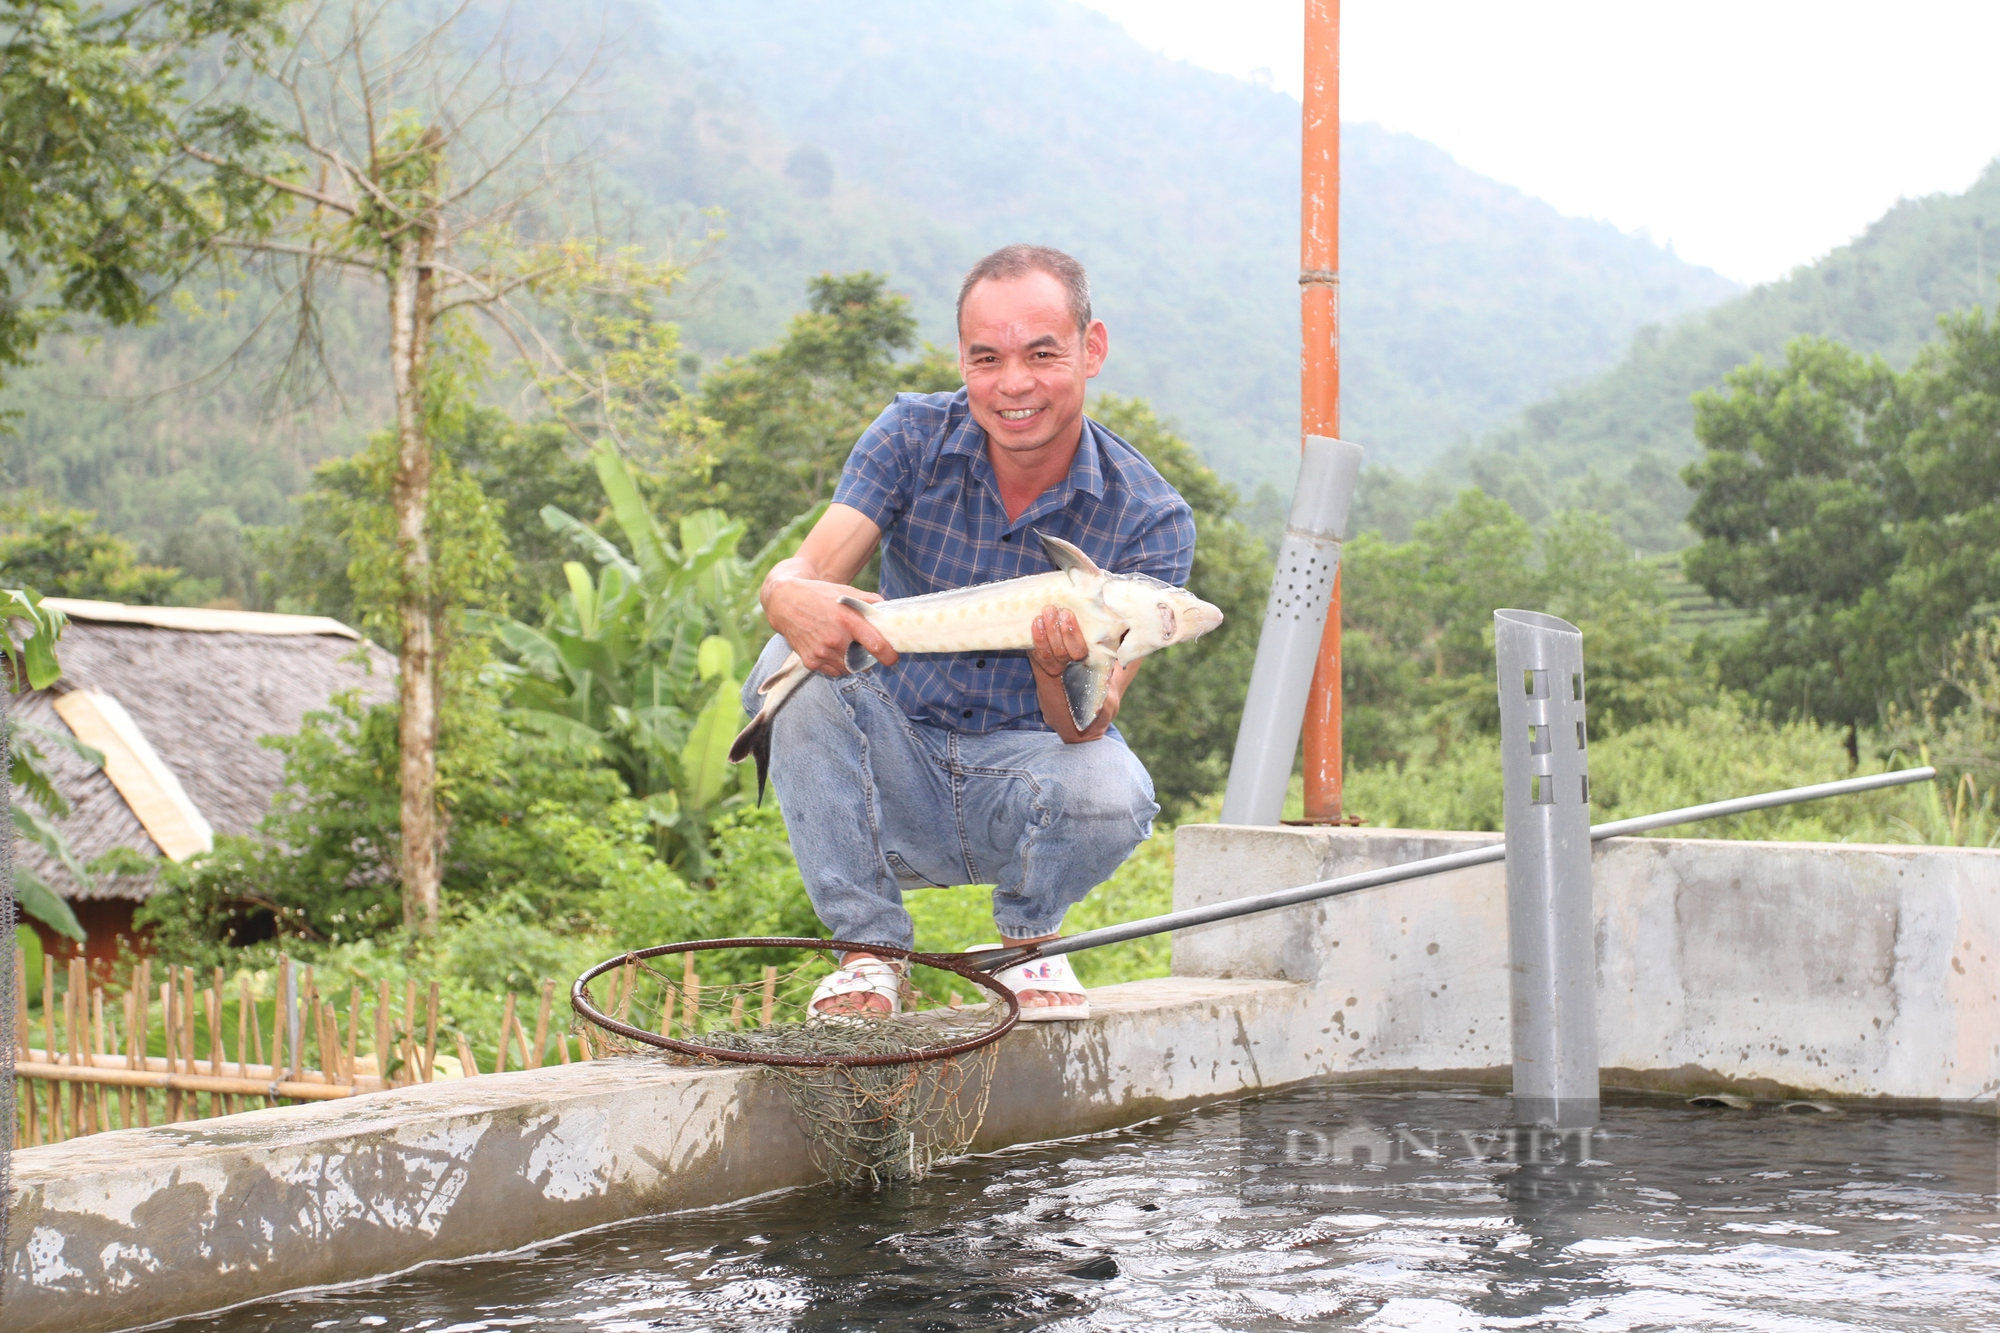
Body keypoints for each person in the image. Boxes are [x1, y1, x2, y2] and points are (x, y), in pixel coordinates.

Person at [744, 243, 1196, 1019]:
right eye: (986, 357)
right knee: (789, 661)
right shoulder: (910, 436)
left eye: (1042, 353)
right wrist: (782, 591)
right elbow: (812, 568)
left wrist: (1056, 669)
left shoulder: (1149, 517)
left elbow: (1087, 726)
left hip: (1023, 783)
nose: (1012, 384)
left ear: (1092, 350)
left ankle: (1027, 941)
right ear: (961, 358)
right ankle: (870, 952)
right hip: (891, 759)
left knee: (1115, 791)